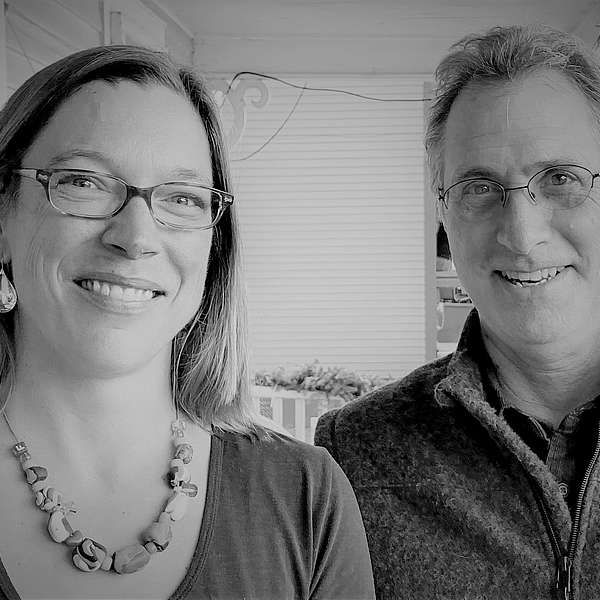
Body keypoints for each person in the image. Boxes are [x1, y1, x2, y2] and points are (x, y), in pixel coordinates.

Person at [0, 45, 375, 600]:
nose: (135, 237)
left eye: (182, 199)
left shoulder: (306, 497)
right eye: (83, 181)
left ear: (213, 246)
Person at [315, 24, 600, 599]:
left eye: (561, 179)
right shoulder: (354, 454)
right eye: (479, 187)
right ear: (444, 215)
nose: (522, 235)